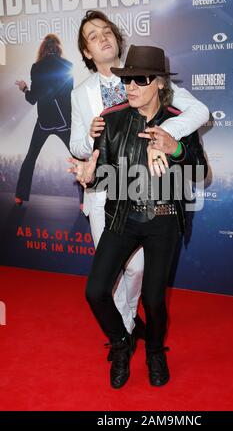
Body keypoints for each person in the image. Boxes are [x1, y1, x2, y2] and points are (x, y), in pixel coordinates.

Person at [68, 45, 208, 388]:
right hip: (121, 218)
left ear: (159, 83)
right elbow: (103, 171)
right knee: (95, 291)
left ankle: (155, 351)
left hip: (163, 221)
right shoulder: (113, 119)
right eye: (126, 79)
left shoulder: (178, 121)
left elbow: (201, 169)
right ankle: (121, 342)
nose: (129, 86)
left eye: (139, 80)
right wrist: (89, 173)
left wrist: (173, 147)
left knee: (154, 300)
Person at [15, 34, 74, 205]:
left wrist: (24, 88)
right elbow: (69, 96)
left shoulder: (37, 67)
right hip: (64, 122)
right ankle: (85, 201)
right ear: (58, 47)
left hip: (44, 122)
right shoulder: (68, 66)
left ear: (43, 48)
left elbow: (33, 98)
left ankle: (20, 196)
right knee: (78, 159)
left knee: (30, 157)